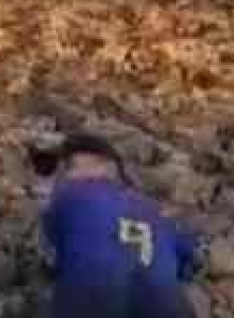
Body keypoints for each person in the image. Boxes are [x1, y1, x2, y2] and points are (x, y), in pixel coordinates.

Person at [37, 132, 203, 318]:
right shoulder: (155, 211)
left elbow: (48, 259)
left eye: (69, 166)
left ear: (109, 167)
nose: (62, 176)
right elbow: (192, 259)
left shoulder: (68, 196)